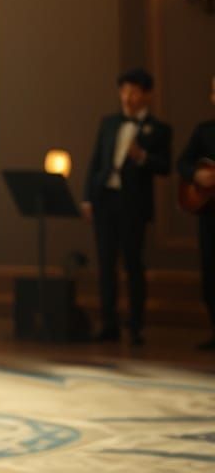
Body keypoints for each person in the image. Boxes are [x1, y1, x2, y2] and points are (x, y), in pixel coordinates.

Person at [82, 68, 171, 346]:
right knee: (105, 264)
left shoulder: (159, 129)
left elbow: (165, 166)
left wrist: (142, 156)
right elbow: (95, 162)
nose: (127, 97)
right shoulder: (109, 123)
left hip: (133, 205)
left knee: (133, 264)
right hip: (105, 199)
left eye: (133, 91)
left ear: (147, 95)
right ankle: (108, 323)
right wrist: (88, 198)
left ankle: (135, 326)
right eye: (123, 91)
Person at [177, 74, 215, 349]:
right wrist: (197, 175)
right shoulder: (204, 131)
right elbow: (183, 162)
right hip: (209, 214)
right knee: (210, 274)